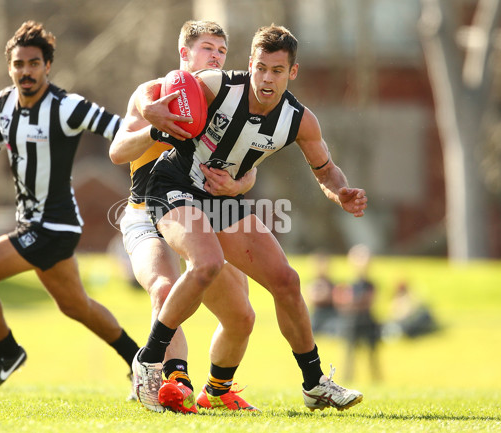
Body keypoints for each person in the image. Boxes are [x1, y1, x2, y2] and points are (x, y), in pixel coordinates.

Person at [130, 24, 367, 412]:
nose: (265, 78)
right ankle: (149, 360)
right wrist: (146, 109)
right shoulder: (216, 85)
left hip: (220, 200)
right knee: (206, 263)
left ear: (292, 73)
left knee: (287, 281)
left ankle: (314, 383)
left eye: (276, 70)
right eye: (260, 68)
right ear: (250, 65)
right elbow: (154, 90)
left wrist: (340, 191)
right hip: (172, 185)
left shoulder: (299, 120)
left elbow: (325, 170)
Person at [0, 21, 139, 393]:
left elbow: (121, 129)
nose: (26, 71)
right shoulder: (3, 103)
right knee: (76, 307)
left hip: (53, 227)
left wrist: (158, 132)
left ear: (48, 66)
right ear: (10, 68)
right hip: (36, 226)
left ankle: (8, 351)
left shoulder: (66, 107)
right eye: (18, 64)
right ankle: (140, 361)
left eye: (34, 63)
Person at [110, 20, 257, 413]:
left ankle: (219, 391)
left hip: (201, 216)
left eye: (222, 52)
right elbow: (118, 150)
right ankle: (175, 382)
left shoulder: (228, 101)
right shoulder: (154, 93)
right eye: (207, 48)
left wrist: (237, 186)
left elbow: (250, 167)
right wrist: (155, 131)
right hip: (146, 213)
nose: (216, 57)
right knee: (163, 287)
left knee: (241, 314)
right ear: (184, 53)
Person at [333, 244, 381, 382]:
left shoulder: (370, 284)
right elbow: (341, 302)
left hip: (367, 321)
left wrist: (353, 302)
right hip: (352, 322)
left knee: (372, 356)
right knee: (349, 356)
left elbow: (367, 301)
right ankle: (347, 381)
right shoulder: (348, 284)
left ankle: (376, 380)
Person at [306, 252, 339, 337]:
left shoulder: (333, 284)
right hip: (316, 316)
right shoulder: (311, 283)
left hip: (331, 315)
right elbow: (311, 299)